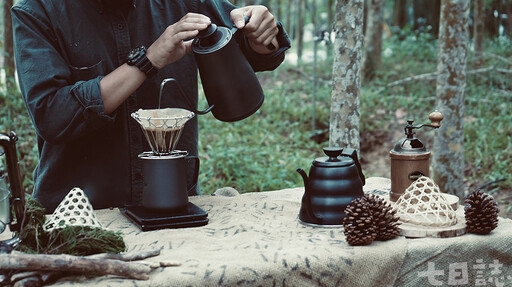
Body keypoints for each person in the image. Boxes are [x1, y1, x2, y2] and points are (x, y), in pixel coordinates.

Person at [12, 0, 290, 212]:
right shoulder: (37, 10)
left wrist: (263, 32)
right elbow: (53, 115)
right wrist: (149, 60)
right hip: (76, 214)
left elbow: (252, 49)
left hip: (175, 203)